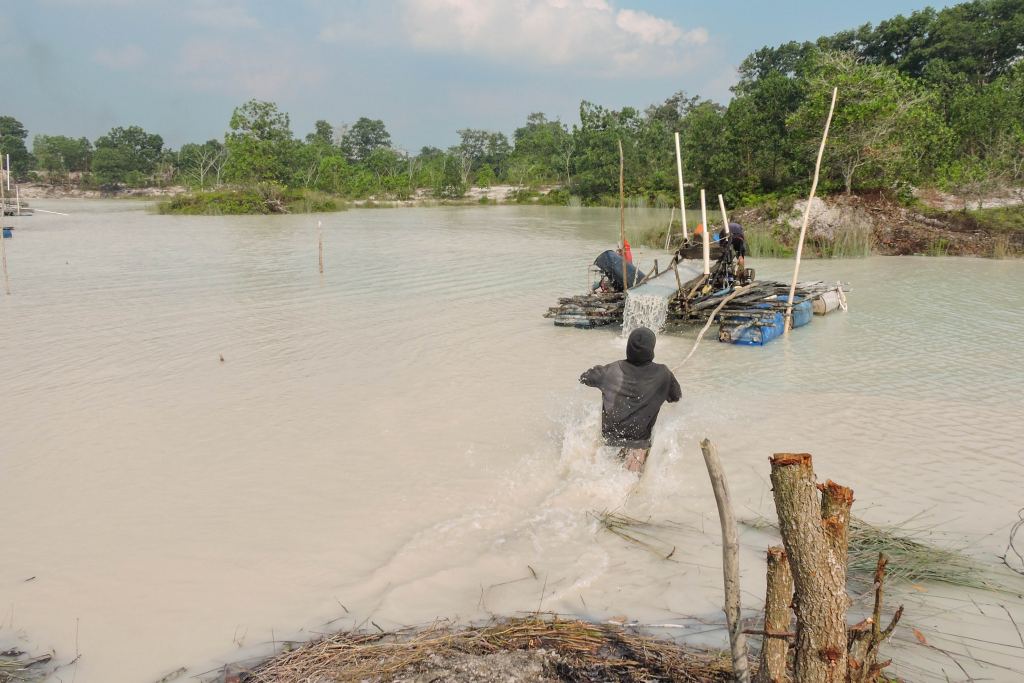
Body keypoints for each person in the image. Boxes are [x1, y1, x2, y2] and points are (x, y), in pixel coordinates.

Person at [579, 327, 681, 474]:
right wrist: (666, 381)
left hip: (610, 442)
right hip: (639, 446)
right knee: (629, 485)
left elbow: (584, 378)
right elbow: (675, 397)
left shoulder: (611, 370)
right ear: (651, 349)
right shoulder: (663, 373)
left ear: (628, 348)